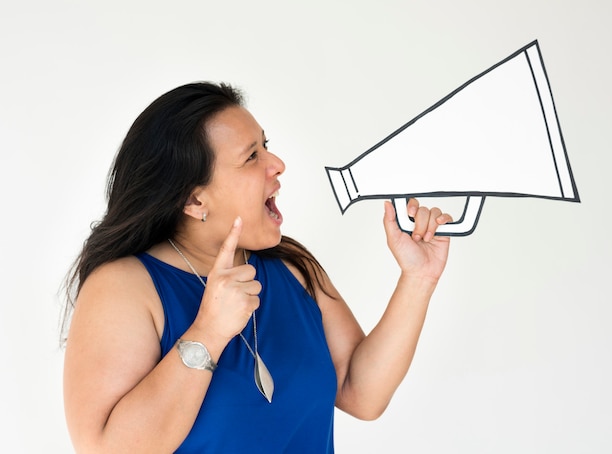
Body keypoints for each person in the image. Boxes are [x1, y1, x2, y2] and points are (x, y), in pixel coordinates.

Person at [61, 81, 453, 453]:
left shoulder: (294, 268)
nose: (277, 164)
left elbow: (360, 392)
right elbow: (104, 448)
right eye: (252, 157)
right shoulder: (124, 287)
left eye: (266, 146)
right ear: (195, 201)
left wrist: (418, 278)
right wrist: (209, 332)